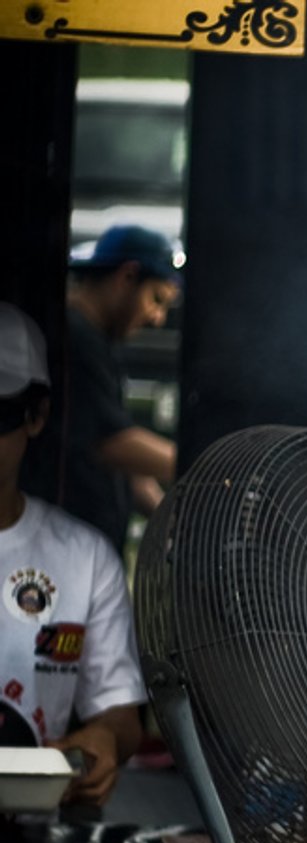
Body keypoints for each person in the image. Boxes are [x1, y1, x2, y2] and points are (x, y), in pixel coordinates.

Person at [0, 303, 147, 809]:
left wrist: (105, 738)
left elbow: (118, 712)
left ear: (35, 416)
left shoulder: (84, 560)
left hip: (28, 834)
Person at [27, 225, 181, 553]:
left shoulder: (98, 345)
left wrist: (171, 519)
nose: (157, 318)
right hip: (55, 554)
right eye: (156, 299)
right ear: (127, 276)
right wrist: (199, 463)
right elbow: (110, 443)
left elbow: (128, 466)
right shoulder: (73, 338)